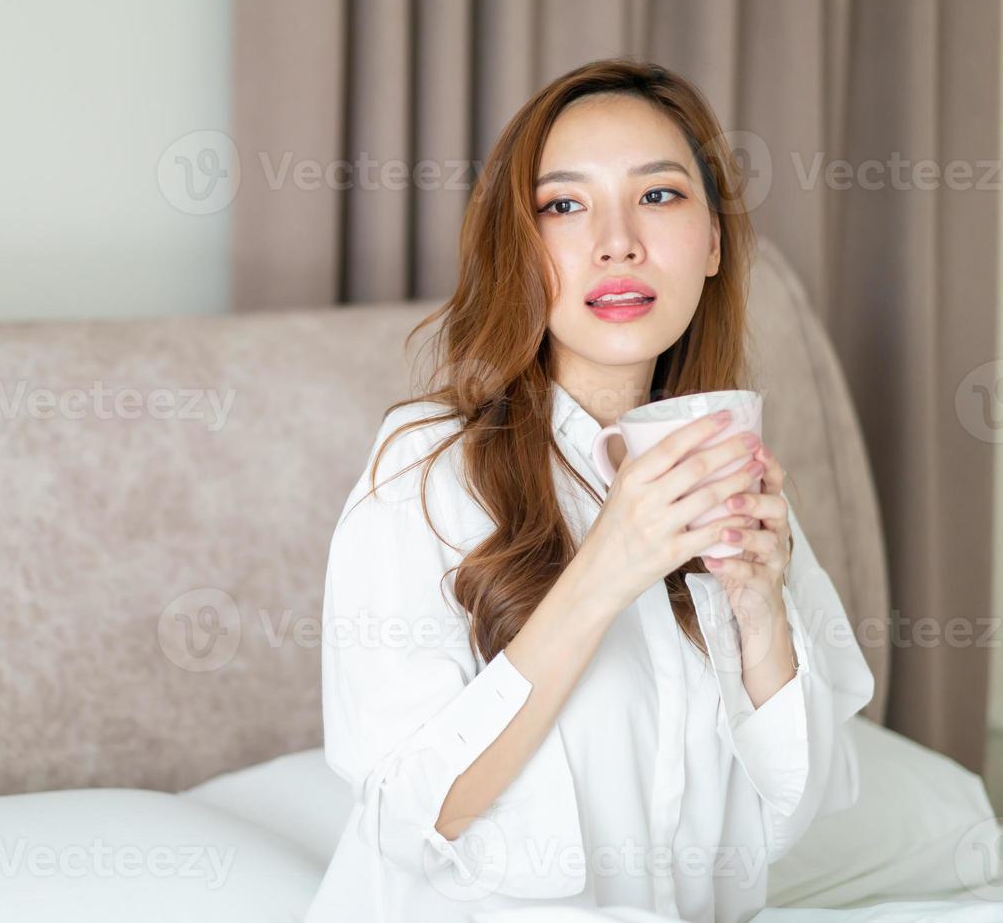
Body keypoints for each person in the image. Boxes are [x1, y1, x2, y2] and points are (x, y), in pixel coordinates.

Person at [303, 58, 875, 923]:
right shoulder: (425, 465)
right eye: (565, 205)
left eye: (660, 196)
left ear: (714, 242)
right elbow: (412, 818)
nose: (618, 242)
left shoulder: (723, 471)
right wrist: (607, 569)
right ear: (519, 251)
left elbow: (797, 809)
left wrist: (763, 613)